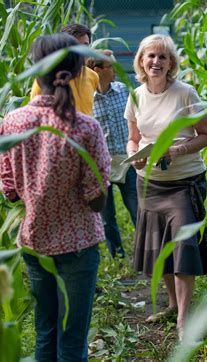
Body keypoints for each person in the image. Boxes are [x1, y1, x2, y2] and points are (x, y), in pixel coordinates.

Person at [0, 33, 110, 361]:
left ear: (36, 70)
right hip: (78, 245)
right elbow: (97, 198)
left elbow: (9, 192)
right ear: (79, 72)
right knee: (72, 340)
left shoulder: (13, 122)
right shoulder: (86, 127)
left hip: (35, 243)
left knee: (45, 333)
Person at [124, 34, 207, 339]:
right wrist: (131, 154)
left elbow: (206, 134)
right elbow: (134, 137)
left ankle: (185, 318)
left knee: (182, 249)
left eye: (163, 57)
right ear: (140, 61)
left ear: (171, 63)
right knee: (159, 248)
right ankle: (173, 305)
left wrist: (177, 150)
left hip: (183, 183)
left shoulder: (186, 93)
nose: (156, 62)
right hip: (148, 184)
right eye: (150, 56)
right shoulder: (135, 96)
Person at [87, 51, 138, 258]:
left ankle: (147, 252)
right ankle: (117, 256)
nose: (115, 70)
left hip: (128, 161)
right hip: (102, 166)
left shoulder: (124, 91)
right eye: (111, 66)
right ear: (97, 70)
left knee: (138, 210)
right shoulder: (87, 100)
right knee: (107, 217)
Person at [30, 24, 99, 116]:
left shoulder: (93, 76)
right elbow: (35, 114)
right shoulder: (45, 80)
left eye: (85, 45)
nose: (82, 50)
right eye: (76, 46)